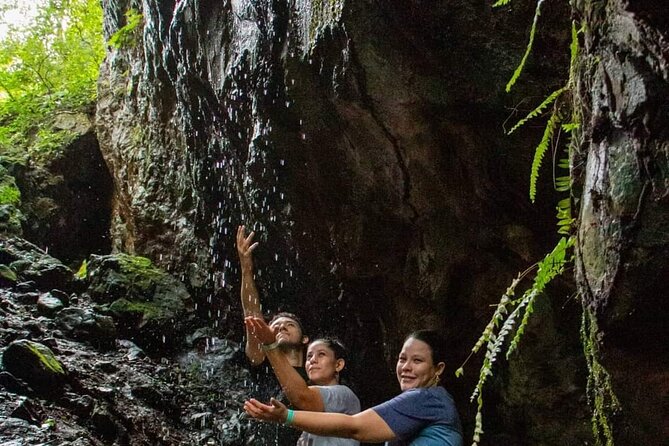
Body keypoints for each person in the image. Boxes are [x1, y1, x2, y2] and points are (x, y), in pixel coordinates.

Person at [243, 329, 463, 446]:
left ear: (438, 368)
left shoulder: (427, 399)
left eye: (417, 361)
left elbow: (354, 426)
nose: (405, 367)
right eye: (402, 359)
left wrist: (287, 416)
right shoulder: (426, 404)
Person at [237, 225, 310, 444]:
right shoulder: (261, 363)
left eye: (290, 324)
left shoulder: (315, 376)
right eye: (275, 325)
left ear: (305, 339)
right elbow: (252, 313)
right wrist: (246, 269)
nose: (281, 327)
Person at [246, 315, 361, 446]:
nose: (312, 360)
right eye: (309, 356)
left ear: (338, 365)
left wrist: (270, 346)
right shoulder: (306, 431)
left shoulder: (344, 395)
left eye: (321, 354)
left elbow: (302, 398)